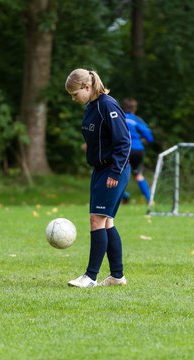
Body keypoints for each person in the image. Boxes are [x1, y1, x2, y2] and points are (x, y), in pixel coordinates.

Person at [65, 68, 131, 288]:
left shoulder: (107, 105)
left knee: (97, 220)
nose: (74, 99)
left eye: (75, 94)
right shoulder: (92, 106)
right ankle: (117, 276)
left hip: (113, 170)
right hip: (100, 170)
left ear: (86, 86)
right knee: (106, 221)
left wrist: (115, 171)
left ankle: (90, 277)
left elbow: (124, 141)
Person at [122, 98, 154, 203]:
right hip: (137, 150)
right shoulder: (137, 120)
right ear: (134, 108)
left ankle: (125, 196)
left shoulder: (118, 118)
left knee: (117, 175)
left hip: (123, 149)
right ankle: (150, 201)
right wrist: (140, 140)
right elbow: (149, 137)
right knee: (138, 175)